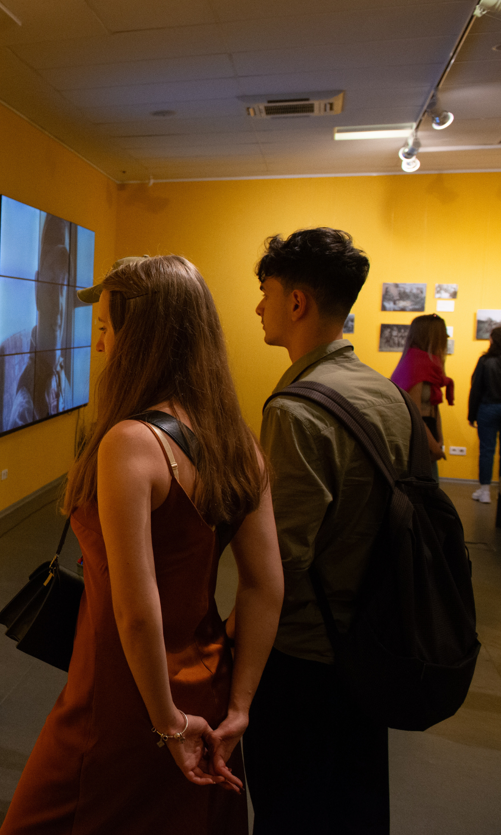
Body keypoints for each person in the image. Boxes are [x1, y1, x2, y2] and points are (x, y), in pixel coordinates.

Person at [0, 255, 283, 835]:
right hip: (207, 684)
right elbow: (265, 586)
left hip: (126, 694)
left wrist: (166, 723)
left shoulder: (132, 443)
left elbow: (136, 609)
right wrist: (240, 707)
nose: (100, 344)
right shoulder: (240, 444)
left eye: (107, 327)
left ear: (143, 338)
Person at [247, 227, 412, 833]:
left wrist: (235, 643)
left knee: (292, 809)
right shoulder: (385, 393)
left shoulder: (296, 409)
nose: (258, 308)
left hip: (305, 659)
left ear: (297, 302)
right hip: (376, 641)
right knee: (355, 807)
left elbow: (280, 561)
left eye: (266, 293)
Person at [8, 217, 73, 428]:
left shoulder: (62, 378)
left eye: (63, 284)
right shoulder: (25, 408)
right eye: (51, 282)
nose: (59, 304)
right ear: (37, 290)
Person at [391, 313, 453, 475]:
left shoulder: (430, 364)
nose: (446, 339)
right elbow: (414, 414)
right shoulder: (416, 364)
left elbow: (434, 407)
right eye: (442, 334)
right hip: (417, 434)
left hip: (427, 432)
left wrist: (439, 440)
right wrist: (434, 445)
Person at [468, 326, 501, 503]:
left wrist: (471, 415)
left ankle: (485, 491)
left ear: (493, 340)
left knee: (487, 451)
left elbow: (476, 389)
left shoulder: (485, 360)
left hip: (487, 408)